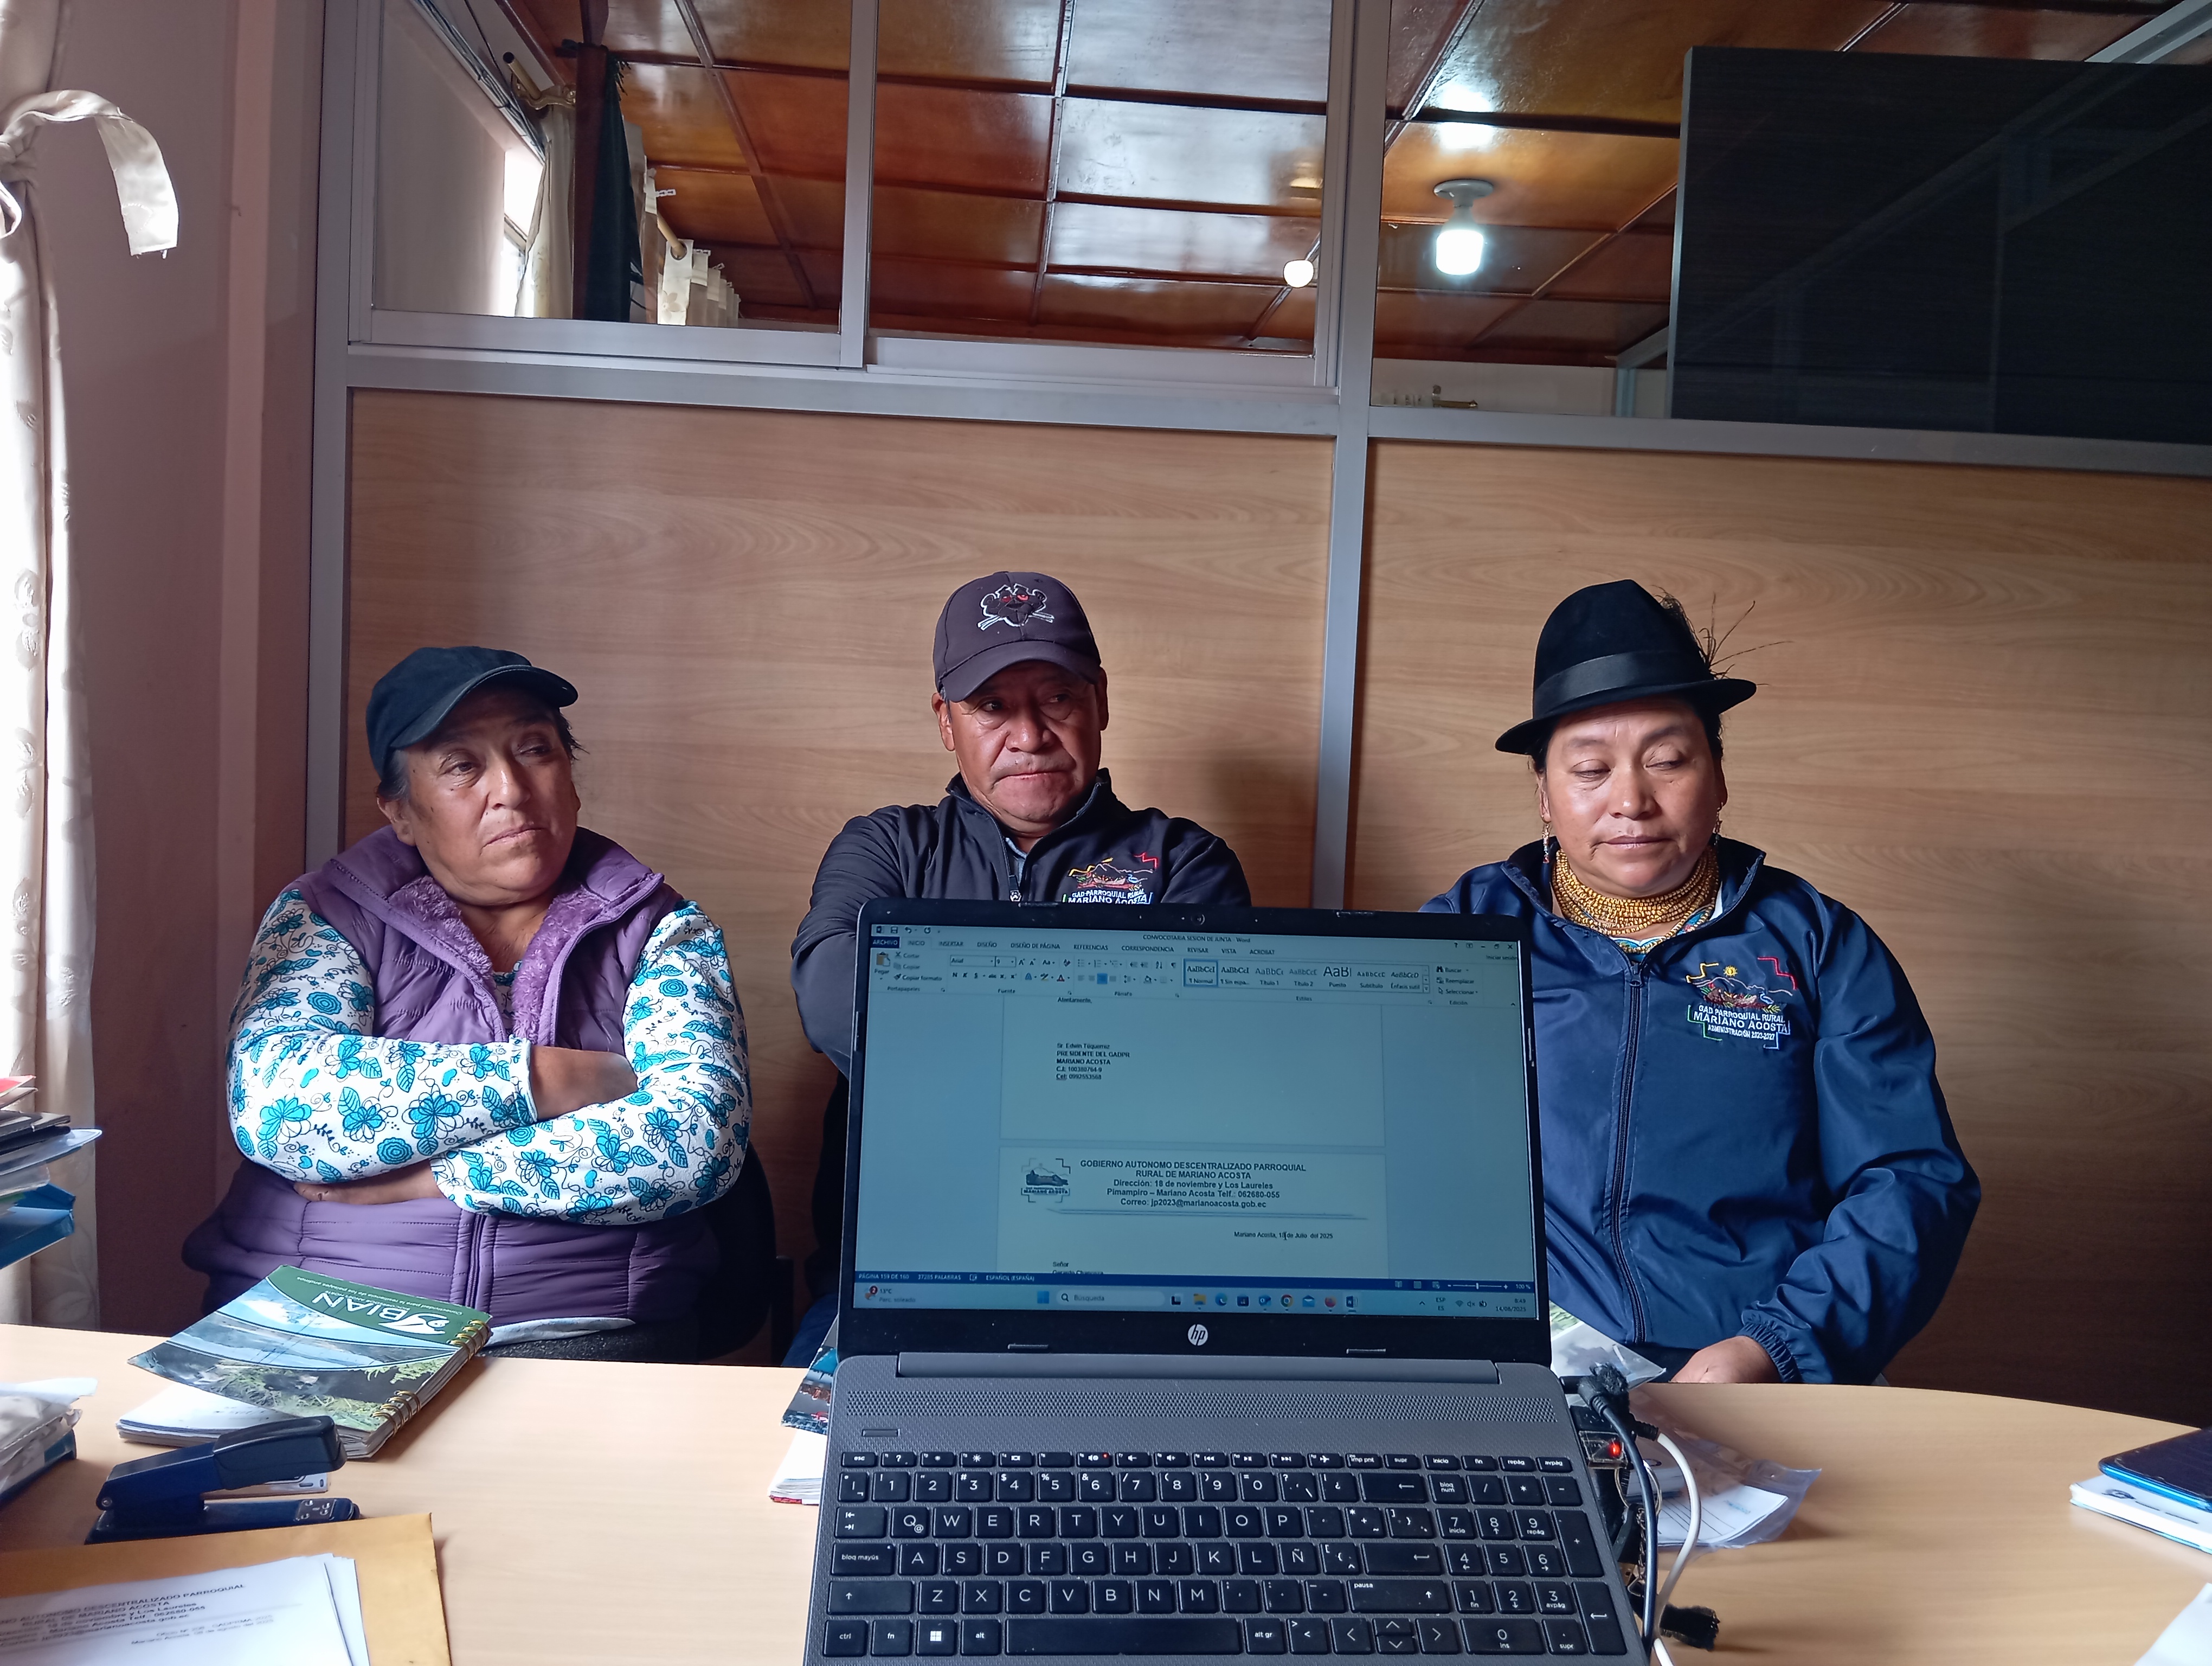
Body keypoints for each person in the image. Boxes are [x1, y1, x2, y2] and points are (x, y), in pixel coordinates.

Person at [1424, 581, 1978, 1385]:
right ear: (1544, 795)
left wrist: (1776, 1349)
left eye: (1668, 761)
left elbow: (1909, 1180)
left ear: (1718, 778)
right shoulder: (1469, 927)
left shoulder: (1819, 946)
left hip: (1760, 1366)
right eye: (1591, 769)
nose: (1631, 801)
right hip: (1528, 1364)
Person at [184, 647, 750, 1362]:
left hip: (580, 1329)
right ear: (400, 811)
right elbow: (281, 1106)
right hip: (322, 1320)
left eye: (535, 750)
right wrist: (546, 1080)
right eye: (461, 765)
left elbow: (696, 1139)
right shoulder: (325, 917)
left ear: (571, 781)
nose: (511, 788)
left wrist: (439, 1176)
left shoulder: (661, 928)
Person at [785, 572, 1252, 1361]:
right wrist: (1090, 1023)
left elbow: (1180, 1064)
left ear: (1101, 702)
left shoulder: (1185, 862)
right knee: (814, 1443)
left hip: (1129, 1272)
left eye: (1057, 698)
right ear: (947, 721)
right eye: (992, 706)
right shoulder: (887, 848)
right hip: (899, 1272)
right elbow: (835, 1002)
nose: (1029, 735)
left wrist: (936, 1000)